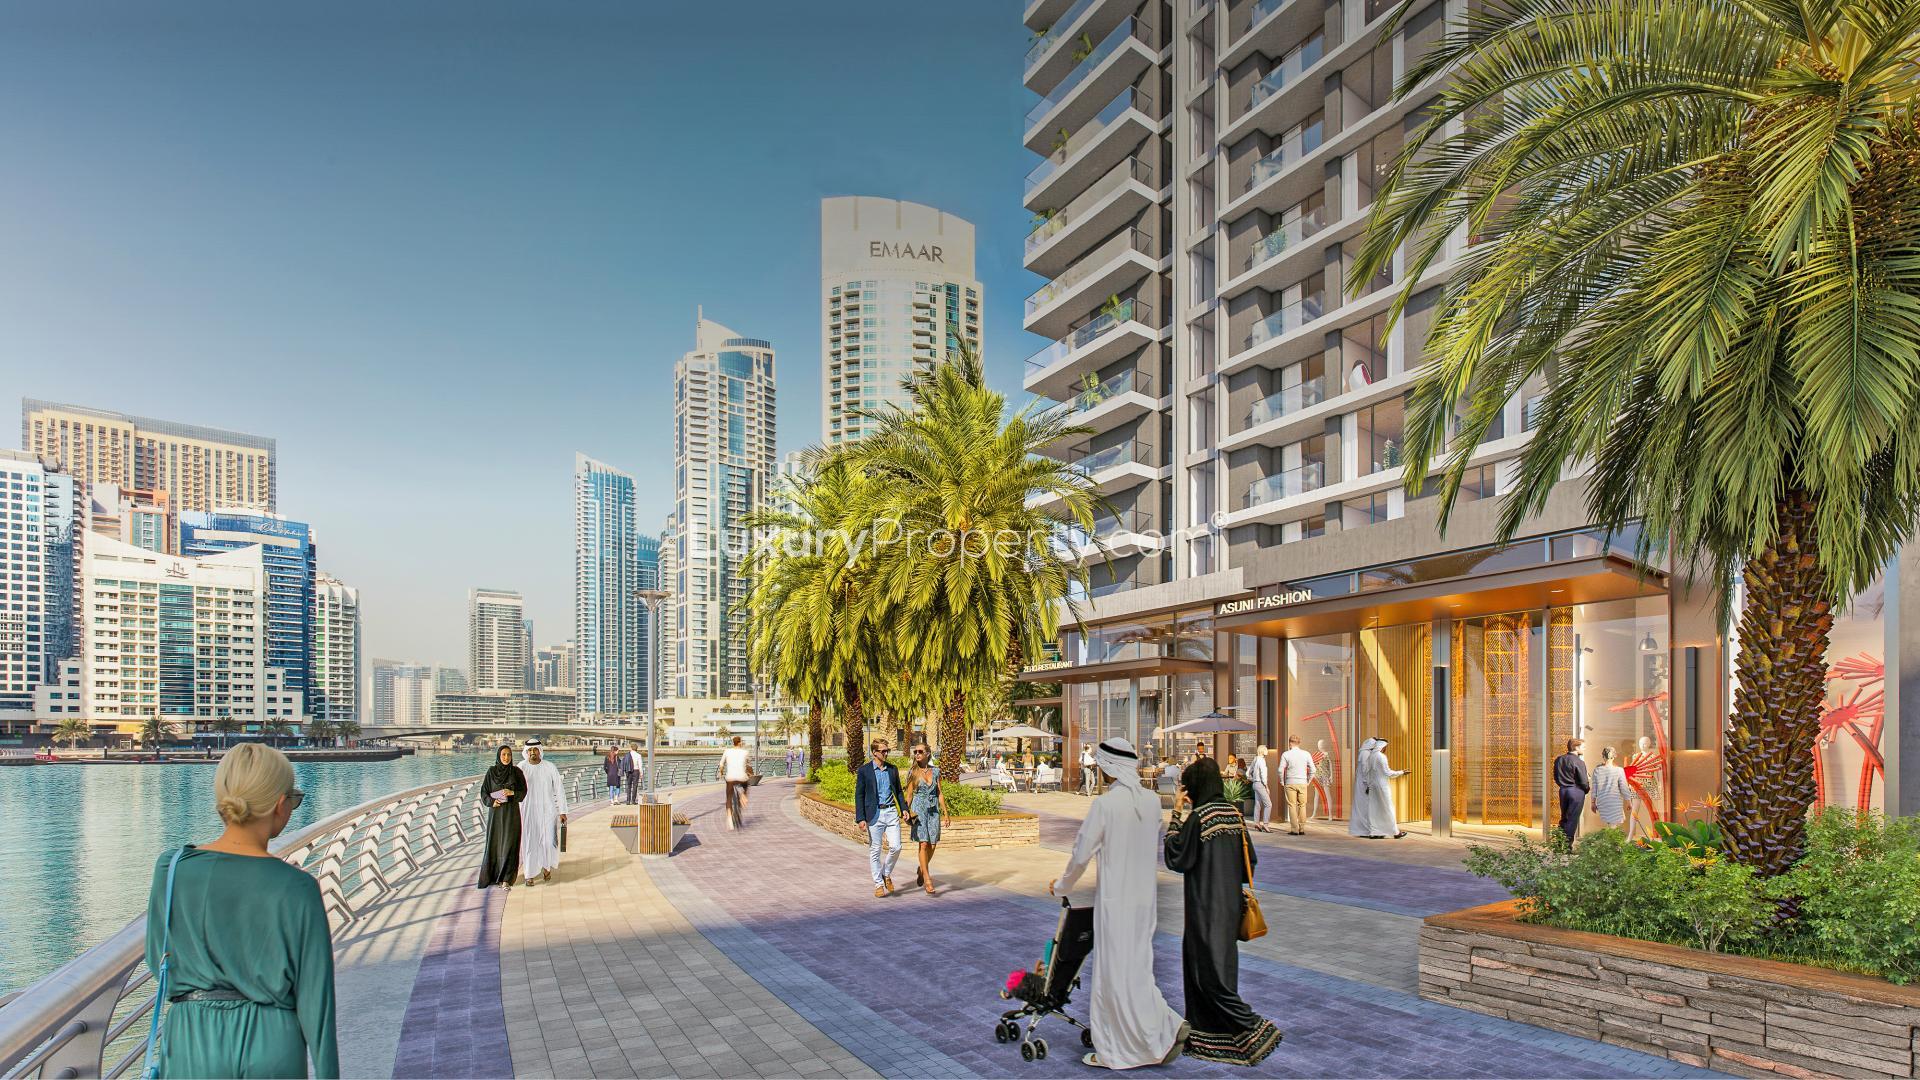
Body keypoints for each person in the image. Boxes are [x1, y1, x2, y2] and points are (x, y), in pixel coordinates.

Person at [145, 743, 340, 1078]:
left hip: (192, 1035)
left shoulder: (172, 867)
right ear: (281, 805)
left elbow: (156, 957)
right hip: (271, 1038)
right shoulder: (297, 886)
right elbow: (315, 1000)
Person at [1049, 738, 1186, 1070]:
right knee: (1137, 969)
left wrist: (1061, 885)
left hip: (1117, 902)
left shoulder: (1105, 806)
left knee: (1113, 976)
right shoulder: (1152, 802)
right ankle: (1161, 1026)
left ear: (1109, 767)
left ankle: (1116, 1050)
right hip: (1145, 902)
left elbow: (1081, 853)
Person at [1164, 757, 1284, 1067]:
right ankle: (1214, 1040)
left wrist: (1177, 811)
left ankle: (1256, 1028)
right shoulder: (1234, 814)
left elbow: (1176, 857)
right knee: (1222, 971)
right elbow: (1250, 863)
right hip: (1229, 906)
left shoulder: (1199, 817)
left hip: (1204, 907)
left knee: (1207, 976)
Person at [855, 740, 907, 897]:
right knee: (875, 850)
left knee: (896, 847)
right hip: (874, 814)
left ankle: (886, 873)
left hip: (891, 812)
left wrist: (904, 808)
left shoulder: (892, 769)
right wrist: (861, 818)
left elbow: (898, 791)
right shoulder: (864, 771)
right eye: (883, 751)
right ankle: (878, 884)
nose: (885, 753)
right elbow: (859, 795)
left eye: (887, 751)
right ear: (874, 752)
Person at [518, 741, 569, 883]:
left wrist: (562, 811)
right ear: (526, 752)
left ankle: (547, 868)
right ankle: (529, 874)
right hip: (528, 811)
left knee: (548, 841)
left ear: (540, 751)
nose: (533, 752)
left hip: (548, 810)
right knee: (530, 842)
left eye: (535, 749)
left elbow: (559, 789)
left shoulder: (549, 767)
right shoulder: (521, 767)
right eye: (530, 750)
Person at [478, 745, 526, 889]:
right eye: (504, 755)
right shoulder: (491, 772)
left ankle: (506, 879)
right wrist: (492, 802)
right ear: (499, 756)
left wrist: (511, 793)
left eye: (509, 755)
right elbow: (484, 793)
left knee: (510, 845)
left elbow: (523, 792)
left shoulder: (516, 772)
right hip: (496, 814)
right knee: (495, 844)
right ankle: (493, 876)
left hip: (512, 814)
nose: (506, 758)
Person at [904, 743, 948, 895]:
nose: (917, 754)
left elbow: (939, 793)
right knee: (923, 844)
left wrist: (946, 813)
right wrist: (905, 811)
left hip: (934, 810)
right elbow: (909, 795)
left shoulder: (936, 771)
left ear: (928, 753)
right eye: (915, 751)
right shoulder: (913, 772)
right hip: (919, 810)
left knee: (933, 844)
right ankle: (928, 879)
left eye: (920, 751)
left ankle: (921, 869)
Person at [1349, 738, 1408, 839]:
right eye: (1385, 747)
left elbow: (1368, 772)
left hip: (1373, 786)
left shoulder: (1370, 756)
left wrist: (1368, 785)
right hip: (1382, 786)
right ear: (1382, 746)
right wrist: (1401, 772)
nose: (1386, 749)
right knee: (1388, 808)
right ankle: (1395, 832)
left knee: (1375, 810)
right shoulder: (1381, 757)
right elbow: (1387, 772)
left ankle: (1376, 832)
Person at [1554, 737, 1591, 845]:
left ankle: (1559, 843)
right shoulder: (1579, 762)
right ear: (1576, 747)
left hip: (1563, 790)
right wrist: (1586, 789)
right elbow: (1584, 781)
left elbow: (1556, 777)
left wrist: (1563, 785)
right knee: (1572, 819)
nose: (1584, 749)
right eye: (1583, 747)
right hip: (1576, 791)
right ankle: (1567, 846)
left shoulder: (1559, 759)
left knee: (1564, 817)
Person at [1591, 745, 1632, 835]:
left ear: (1603, 756)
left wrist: (1593, 803)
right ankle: (1612, 845)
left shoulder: (1597, 770)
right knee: (1613, 826)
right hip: (1614, 801)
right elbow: (1624, 787)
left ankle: (1610, 844)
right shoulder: (1619, 770)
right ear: (1614, 756)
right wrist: (1628, 801)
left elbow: (1594, 788)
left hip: (1602, 801)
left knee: (1610, 824)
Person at [1278, 735, 1315, 835]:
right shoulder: (1306, 754)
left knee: (1292, 805)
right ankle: (1302, 828)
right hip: (1302, 782)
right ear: (1299, 743)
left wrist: (1282, 781)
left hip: (1290, 782)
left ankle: (1294, 829)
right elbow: (1313, 769)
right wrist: (1308, 780)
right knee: (1302, 805)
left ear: (1290, 743)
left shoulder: (1286, 754)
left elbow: (1280, 770)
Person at [719, 735, 753, 829]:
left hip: (730, 778)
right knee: (746, 784)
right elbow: (749, 766)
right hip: (742, 777)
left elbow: (721, 765)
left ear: (733, 743)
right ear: (740, 742)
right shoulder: (745, 752)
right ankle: (744, 796)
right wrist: (750, 773)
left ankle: (729, 818)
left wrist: (721, 773)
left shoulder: (727, 751)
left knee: (729, 798)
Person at [1245, 745, 1272, 832]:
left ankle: (1256, 823)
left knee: (1258, 804)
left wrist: (1251, 779)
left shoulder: (1255, 759)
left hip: (1255, 784)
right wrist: (1266, 786)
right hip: (1260, 784)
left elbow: (1248, 772)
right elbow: (1264, 775)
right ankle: (1265, 824)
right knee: (1268, 804)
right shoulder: (1262, 761)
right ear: (1262, 751)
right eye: (1266, 749)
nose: (1267, 751)